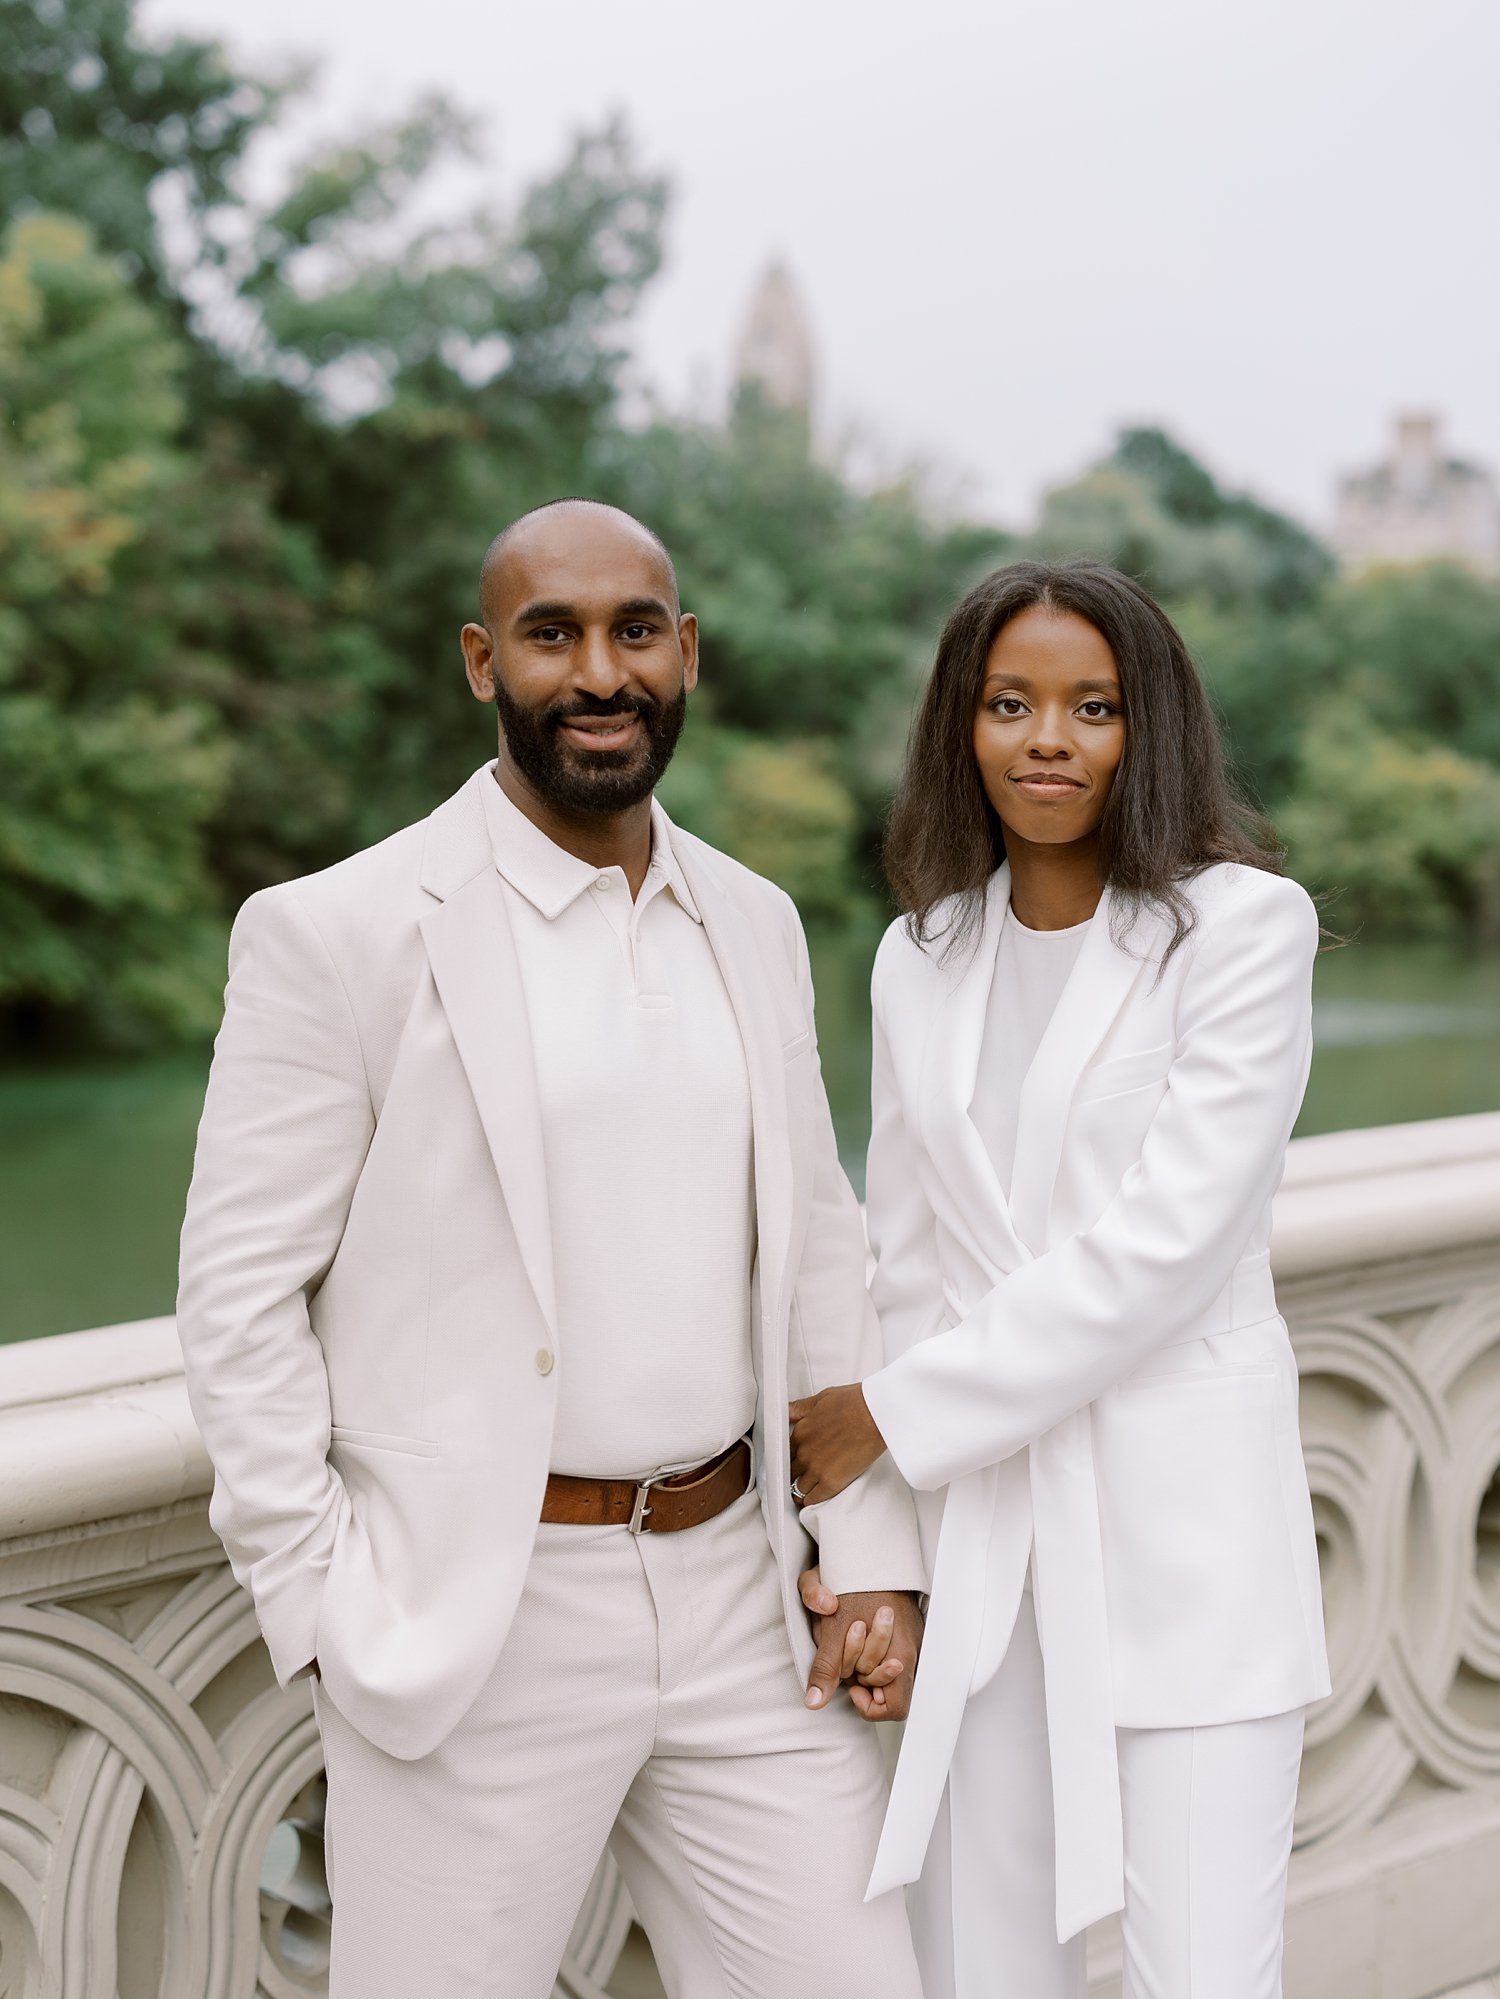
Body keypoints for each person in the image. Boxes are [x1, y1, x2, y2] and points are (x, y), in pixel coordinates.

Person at [177, 498, 927, 1999]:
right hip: (479, 1619)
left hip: (743, 1597)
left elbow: (822, 1254)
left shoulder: (760, 920)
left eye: (635, 631)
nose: (600, 672)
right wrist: (316, 1599)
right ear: (481, 662)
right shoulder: (339, 933)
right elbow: (237, 1293)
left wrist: (875, 1549)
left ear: (688, 654)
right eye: (552, 634)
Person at [790, 558, 1330, 1999]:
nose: (1049, 739)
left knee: (1206, 1974)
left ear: (1147, 727)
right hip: (992, 1555)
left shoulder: (1240, 934)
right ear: (959, 730)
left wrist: (893, 1412)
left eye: (1093, 707)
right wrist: (880, 1562)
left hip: (1188, 1543)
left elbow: (1167, 1248)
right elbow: (902, 1261)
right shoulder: (922, 956)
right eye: (1011, 703)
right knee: (981, 1967)